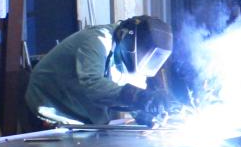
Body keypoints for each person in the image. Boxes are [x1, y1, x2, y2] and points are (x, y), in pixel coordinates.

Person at [25, 15, 175, 127]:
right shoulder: (97, 41)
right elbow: (92, 84)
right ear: (125, 36)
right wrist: (139, 97)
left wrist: (146, 112)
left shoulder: (137, 65)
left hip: (81, 112)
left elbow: (131, 95)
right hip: (48, 103)